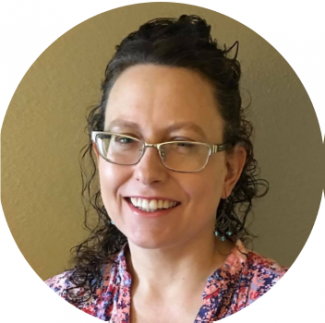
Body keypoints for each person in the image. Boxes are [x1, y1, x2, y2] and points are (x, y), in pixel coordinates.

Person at [45, 14, 287, 322]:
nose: (147, 173)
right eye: (124, 138)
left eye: (183, 143)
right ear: (99, 156)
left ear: (230, 170)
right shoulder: (59, 300)